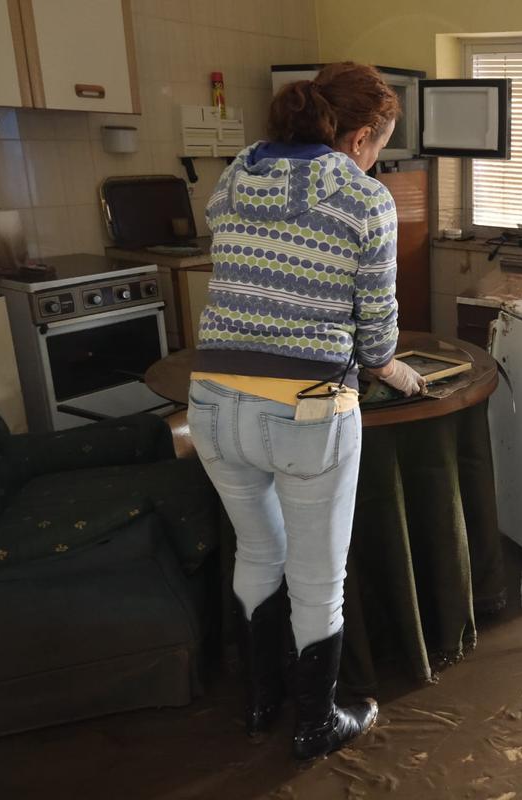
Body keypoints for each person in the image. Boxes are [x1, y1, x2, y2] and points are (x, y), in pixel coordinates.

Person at [187, 62, 426, 760]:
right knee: (319, 580)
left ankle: (262, 701)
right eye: (380, 143)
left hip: (212, 403)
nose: (379, 157)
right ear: (358, 140)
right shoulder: (364, 197)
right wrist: (397, 372)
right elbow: (378, 337)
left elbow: (228, 247)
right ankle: (315, 723)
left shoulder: (238, 169)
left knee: (260, 551)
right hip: (305, 414)